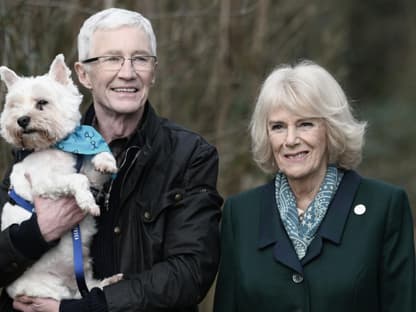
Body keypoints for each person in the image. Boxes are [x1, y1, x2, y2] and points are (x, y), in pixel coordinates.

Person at [0, 7, 223, 312]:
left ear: (154, 72)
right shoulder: (39, 144)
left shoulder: (190, 155)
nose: (127, 72)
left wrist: (79, 310)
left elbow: (190, 273)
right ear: (83, 75)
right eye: (112, 59)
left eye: (140, 59)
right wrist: (38, 232)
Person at [213, 61, 415, 312]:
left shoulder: (384, 207)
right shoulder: (240, 214)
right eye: (278, 127)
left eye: (305, 124)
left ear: (331, 128)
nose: (290, 140)